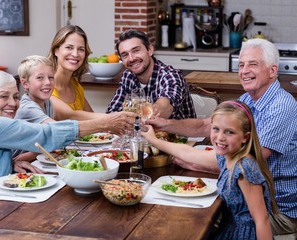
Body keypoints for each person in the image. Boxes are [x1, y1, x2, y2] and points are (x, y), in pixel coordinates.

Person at [147, 39, 297, 236]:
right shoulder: (248, 99)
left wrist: (196, 162)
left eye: (253, 64)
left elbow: (246, 159)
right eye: (241, 65)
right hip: (247, 199)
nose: (244, 71)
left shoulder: (281, 106)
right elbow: (205, 125)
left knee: (188, 224)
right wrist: (165, 124)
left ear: (272, 70)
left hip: (277, 210)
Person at [0, 70, 133, 217]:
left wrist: (6, 162)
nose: (13, 103)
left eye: (15, 96)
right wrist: (105, 123)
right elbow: (44, 134)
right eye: (3, 96)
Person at [142, 101, 278, 239]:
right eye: (216, 129)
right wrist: (153, 140)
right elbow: (188, 152)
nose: (220, 137)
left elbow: (262, 220)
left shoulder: (245, 167)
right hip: (228, 229)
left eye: (229, 132)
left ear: (245, 137)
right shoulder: (227, 157)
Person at [13, 55, 135, 162]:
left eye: (51, 77)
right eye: (40, 78)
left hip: (36, 160)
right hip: (21, 166)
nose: (48, 82)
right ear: (25, 84)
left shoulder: (47, 102)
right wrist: (107, 123)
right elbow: (58, 131)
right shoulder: (28, 107)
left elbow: (47, 138)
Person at [105, 29, 196, 120]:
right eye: (125, 55)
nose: (131, 59)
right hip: (143, 132)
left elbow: (164, 108)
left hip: (180, 133)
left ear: (150, 50)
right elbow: (112, 111)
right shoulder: (128, 76)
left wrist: (139, 115)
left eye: (136, 51)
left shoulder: (169, 75)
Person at [47, 25, 93, 118]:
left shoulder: (75, 85)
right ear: (56, 50)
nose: (75, 54)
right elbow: (73, 117)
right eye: (69, 47)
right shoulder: (47, 86)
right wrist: (115, 118)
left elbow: (92, 116)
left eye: (81, 49)